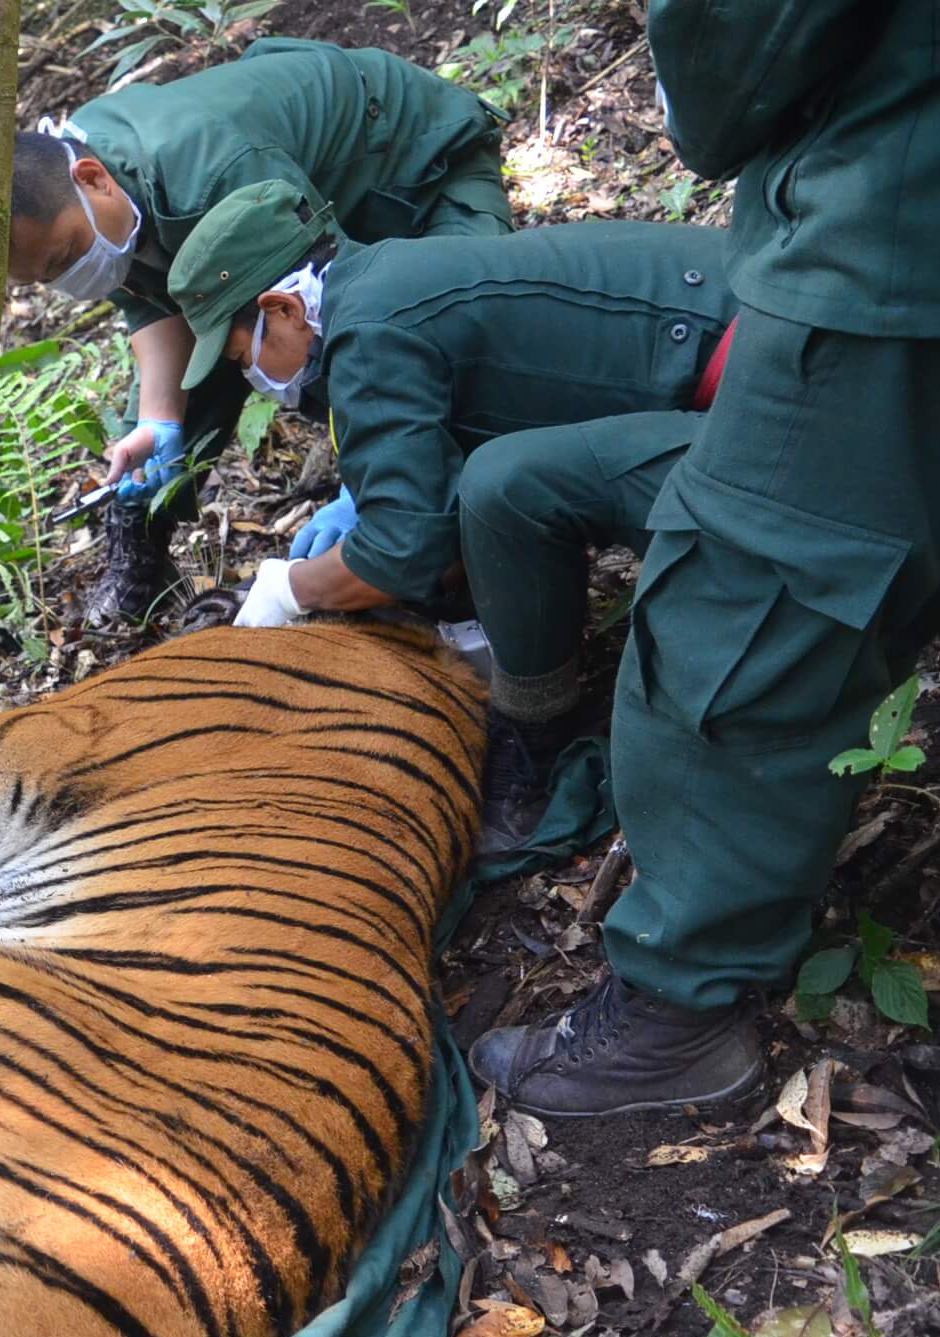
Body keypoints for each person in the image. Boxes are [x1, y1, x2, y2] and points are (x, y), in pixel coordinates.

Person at [467, 0, 940, 1117]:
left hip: (929, 234)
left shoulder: (384, 315)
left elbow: (736, 49)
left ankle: (678, 1010)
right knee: (852, 584)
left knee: (727, 619)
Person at [159, 180, 734, 846]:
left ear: (282, 308)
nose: (253, 377)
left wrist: (291, 590)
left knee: (503, 492)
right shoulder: (383, 281)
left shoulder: (369, 333)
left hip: (748, 381)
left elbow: (408, 546)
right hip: (725, 312)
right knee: (488, 487)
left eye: (242, 357)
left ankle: (537, 734)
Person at [5, 37, 511, 623]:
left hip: (417, 175)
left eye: (69, 252)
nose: (71, 276)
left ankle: (455, 570)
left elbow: (342, 327)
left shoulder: (214, 171)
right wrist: (159, 420)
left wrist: (369, 491)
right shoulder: (73, 172)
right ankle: (141, 543)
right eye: (49, 275)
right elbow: (154, 303)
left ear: (94, 179)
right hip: (309, 213)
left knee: (455, 347)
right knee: (227, 347)